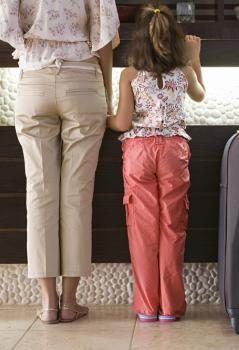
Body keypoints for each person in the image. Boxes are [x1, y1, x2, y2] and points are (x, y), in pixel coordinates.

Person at [0, 0, 120, 324]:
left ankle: (48, 303)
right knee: (77, 196)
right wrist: (107, 98)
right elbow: (105, 36)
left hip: (33, 80)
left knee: (39, 193)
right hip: (82, 81)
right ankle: (69, 301)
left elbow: (6, 25)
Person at [108, 3, 205, 322]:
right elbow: (200, 95)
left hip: (138, 150)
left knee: (142, 226)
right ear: (173, 35)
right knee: (173, 227)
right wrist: (195, 58)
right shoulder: (184, 71)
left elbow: (122, 123)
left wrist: (105, 119)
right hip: (174, 150)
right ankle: (172, 308)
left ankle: (148, 308)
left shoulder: (131, 74)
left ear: (140, 37)